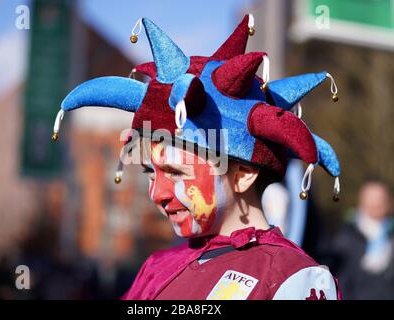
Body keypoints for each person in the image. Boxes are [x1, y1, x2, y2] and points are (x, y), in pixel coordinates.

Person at [51, 15, 342, 300]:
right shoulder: (156, 268)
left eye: (175, 172)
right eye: (151, 174)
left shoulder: (296, 279)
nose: (157, 194)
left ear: (242, 174)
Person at [329, 180, 394, 299]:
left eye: (380, 201)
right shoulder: (344, 241)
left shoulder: (390, 237)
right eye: (371, 201)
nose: (375, 205)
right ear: (361, 202)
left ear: (388, 203)